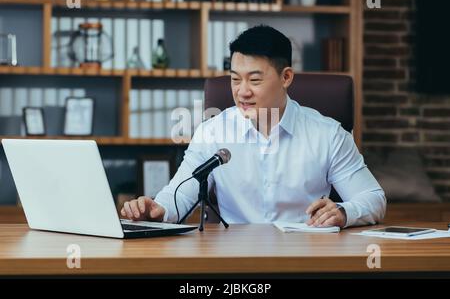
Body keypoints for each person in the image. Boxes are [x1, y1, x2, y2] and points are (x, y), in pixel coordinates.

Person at [121, 25, 386, 228]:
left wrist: (342, 212)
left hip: (304, 256)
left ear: (286, 77)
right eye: (235, 79)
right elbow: (179, 194)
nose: (242, 92)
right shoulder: (212, 131)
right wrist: (157, 209)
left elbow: (374, 199)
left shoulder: (327, 135)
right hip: (233, 259)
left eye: (255, 80)